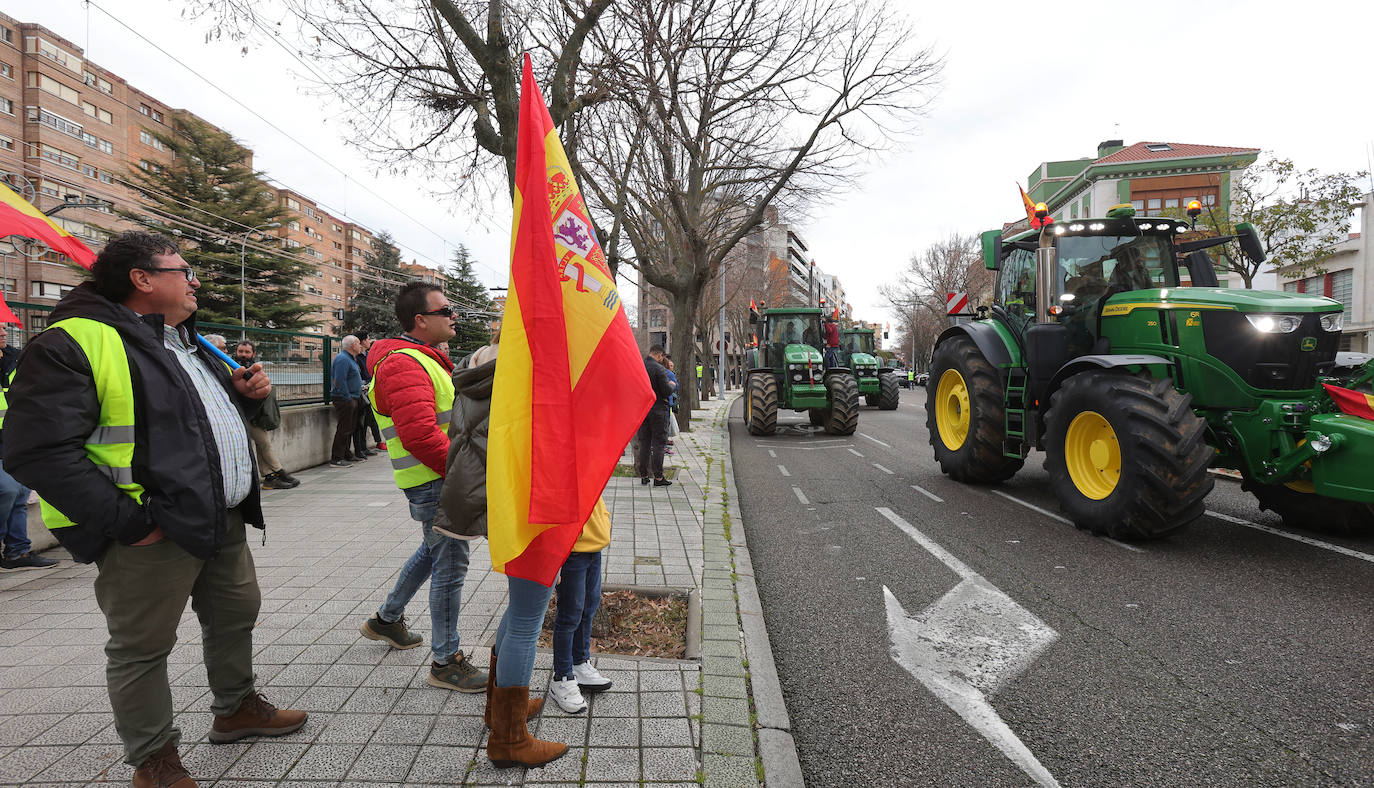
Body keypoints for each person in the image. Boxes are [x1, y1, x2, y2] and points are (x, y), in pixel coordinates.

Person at [3, 231, 306, 786]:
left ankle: (236, 709)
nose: (196, 281)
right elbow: (36, 450)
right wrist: (131, 525)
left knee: (235, 616)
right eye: (183, 271)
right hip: (148, 531)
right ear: (142, 279)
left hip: (221, 517)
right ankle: (154, 760)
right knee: (142, 647)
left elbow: (194, 425)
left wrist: (250, 398)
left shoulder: (185, 341)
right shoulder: (73, 343)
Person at [357, 281, 488, 693]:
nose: (454, 316)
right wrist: (461, 472)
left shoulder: (422, 358)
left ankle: (386, 620)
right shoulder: (403, 364)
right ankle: (446, 661)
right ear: (420, 320)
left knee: (434, 553)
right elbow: (418, 435)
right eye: (446, 310)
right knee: (451, 565)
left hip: (435, 479)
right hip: (436, 481)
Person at [548, 499, 615, 713]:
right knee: (569, 615)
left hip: (593, 544)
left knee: (588, 608)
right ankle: (562, 676)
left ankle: (579, 662)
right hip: (571, 548)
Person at [1, 346, 58, 572]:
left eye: (4, 326)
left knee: (21, 494)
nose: (4, 332)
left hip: (17, 437)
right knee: (7, 490)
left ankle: (18, 550)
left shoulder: (15, 358)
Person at [235, 340, 299, 490]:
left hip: (256, 415)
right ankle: (279, 471)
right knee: (264, 443)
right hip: (244, 415)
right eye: (240, 351)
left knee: (261, 444)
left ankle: (270, 478)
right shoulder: (233, 368)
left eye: (247, 352)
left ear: (253, 354)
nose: (243, 355)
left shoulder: (255, 369)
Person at [637, 345, 675, 487]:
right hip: (659, 409)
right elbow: (665, 391)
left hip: (643, 409)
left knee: (645, 442)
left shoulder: (640, 366)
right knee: (658, 443)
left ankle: (644, 475)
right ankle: (658, 477)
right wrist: (671, 385)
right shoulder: (659, 369)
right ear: (660, 355)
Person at [329, 335, 363, 467]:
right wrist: (347, 398)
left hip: (352, 397)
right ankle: (337, 458)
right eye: (358, 343)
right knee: (344, 428)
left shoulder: (350, 359)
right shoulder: (343, 359)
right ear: (352, 345)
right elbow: (339, 380)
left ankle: (346, 453)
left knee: (350, 427)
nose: (360, 346)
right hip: (345, 399)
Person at [352, 334, 382, 458]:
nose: (370, 341)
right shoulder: (357, 358)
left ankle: (364, 448)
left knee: (367, 422)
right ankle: (360, 449)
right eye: (368, 339)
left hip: (368, 393)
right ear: (363, 341)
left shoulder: (366, 356)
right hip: (361, 393)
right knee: (360, 423)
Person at [663, 358, 679, 450]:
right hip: (667, 402)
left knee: (666, 423)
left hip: (667, 402)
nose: (671, 367)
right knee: (666, 423)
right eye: (670, 365)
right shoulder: (669, 374)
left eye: (672, 366)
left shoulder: (669, 374)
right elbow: (676, 386)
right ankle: (664, 444)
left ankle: (664, 442)